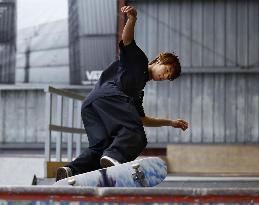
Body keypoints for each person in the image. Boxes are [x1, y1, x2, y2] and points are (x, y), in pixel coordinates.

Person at [56, 5, 188, 181]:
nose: (163, 76)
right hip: (111, 96)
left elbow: (142, 119)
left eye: (167, 77)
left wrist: (170, 122)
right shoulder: (139, 61)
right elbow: (126, 41)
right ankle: (115, 157)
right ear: (158, 60)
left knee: (100, 147)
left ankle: (70, 171)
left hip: (91, 105)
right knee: (136, 135)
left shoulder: (137, 92)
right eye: (165, 70)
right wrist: (132, 19)